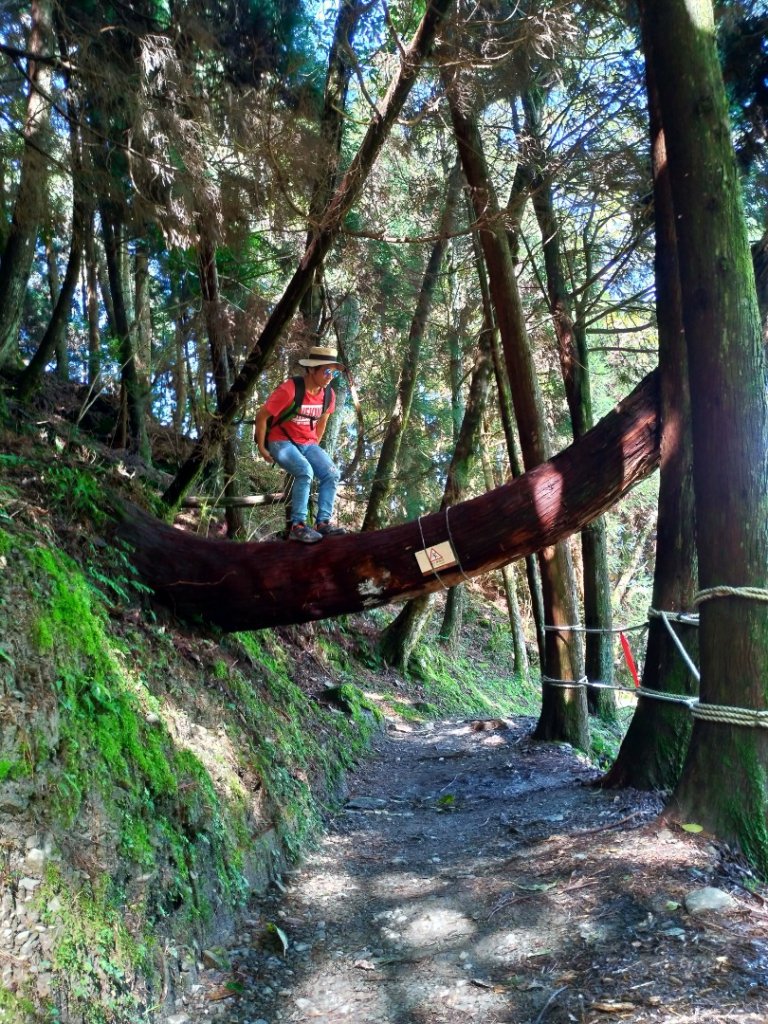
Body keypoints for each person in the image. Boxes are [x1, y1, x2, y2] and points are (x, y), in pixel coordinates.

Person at [254, 345, 347, 543]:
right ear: (312, 369)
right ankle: (297, 526)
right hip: (280, 441)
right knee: (305, 471)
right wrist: (262, 447)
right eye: (327, 371)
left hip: (308, 443)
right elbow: (262, 416)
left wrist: (314, 449)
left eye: (334, 373)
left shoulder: (328, 396)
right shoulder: (289, 389)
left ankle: (323, 523)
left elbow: (322, 423)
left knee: (332, 473)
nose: (330, 376)